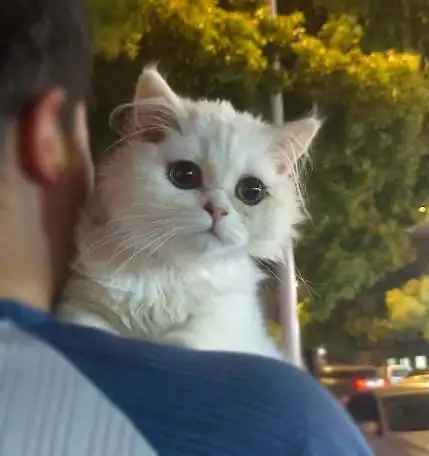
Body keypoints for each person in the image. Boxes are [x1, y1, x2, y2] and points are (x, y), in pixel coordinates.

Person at [0, 0, 373, 455]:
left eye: (250, 192)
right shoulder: (292, 426)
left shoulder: (229, 305)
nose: (219, 209)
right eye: (185, 176)